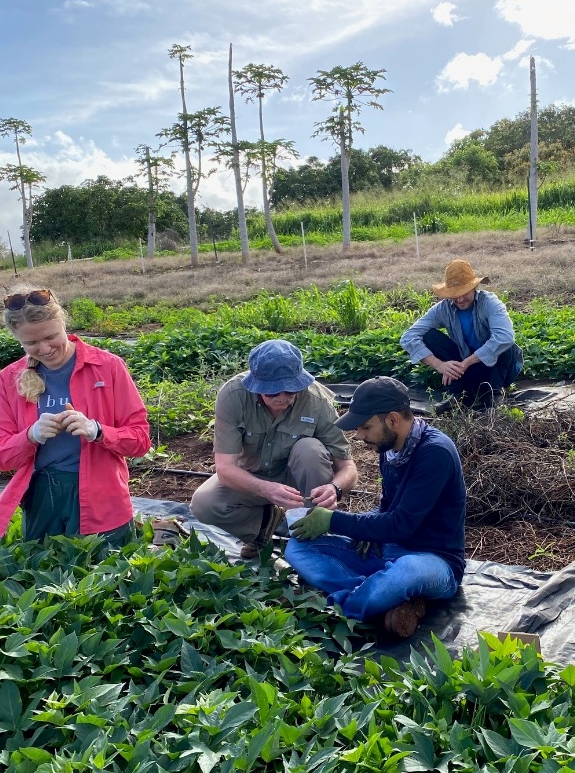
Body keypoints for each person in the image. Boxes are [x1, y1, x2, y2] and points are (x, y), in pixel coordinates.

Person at [284, 376, 466, 638]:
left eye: (365, 427)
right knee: (298, 547)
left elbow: (401, 524)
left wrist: (332, 520)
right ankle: (383, 602)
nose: (360, 436)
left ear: (392, 420)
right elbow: (387, 507)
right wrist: (367, 526)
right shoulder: (390, 448)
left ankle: (337, 607)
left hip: (434, 561)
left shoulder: (435, 453)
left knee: (406, 573)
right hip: (389, 549)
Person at [0, 287, 151, 546]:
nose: (45, 348)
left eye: (51, 336)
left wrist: (97, 430)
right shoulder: (10, 378)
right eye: (31, 343)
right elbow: (0, 456)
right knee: (45, 571)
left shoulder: (107, 367)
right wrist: (31, 435)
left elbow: (140, 441)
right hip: (43, 494)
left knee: (106, 576)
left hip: (102, 493)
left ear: (63, 322)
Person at [191, 339, 358, 559]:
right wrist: (266, 489)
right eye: (271, 392)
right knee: (204, 504)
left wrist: (335, 488)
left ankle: (313, 538)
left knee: (310, 449)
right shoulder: (233, 396)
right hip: (251, 475)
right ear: (256, 384)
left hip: (298, 482)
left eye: (290, 390)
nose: (281, 398)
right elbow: (225, 467)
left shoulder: (317, 401)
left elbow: (348, 467)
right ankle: (264, 527)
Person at [400, 259, 523, 410]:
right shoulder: (442, 309)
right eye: (454, 294)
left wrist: (466, 363)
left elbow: (505, 337)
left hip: (496, 369)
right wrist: (440, 365)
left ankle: (493, 394)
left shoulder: (490, 302)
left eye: (464, 292)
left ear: (474, 287)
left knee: (505, 344)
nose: (460, 299)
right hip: (464, 371)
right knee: (429, 336)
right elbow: (408, 336)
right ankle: (461, 394)